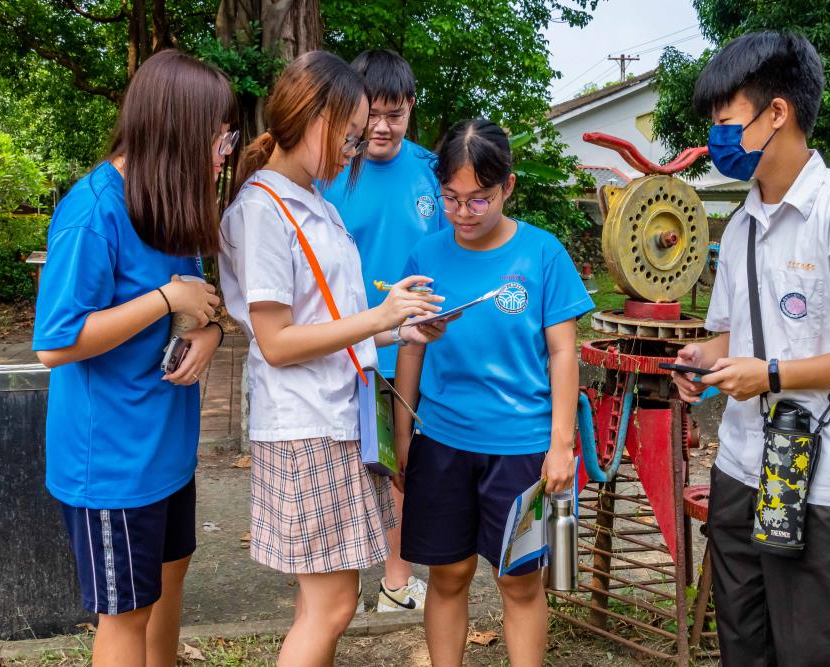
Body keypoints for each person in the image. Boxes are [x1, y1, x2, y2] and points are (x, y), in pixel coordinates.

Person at [671, 31, 830, 666]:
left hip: (827, 477)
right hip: (742, 465)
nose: (717, 138)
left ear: (774, 112)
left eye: (726, 121)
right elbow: (731, 333)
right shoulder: (743, 221)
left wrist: (773, 374)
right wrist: (701, 360)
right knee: (743, 645)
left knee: (818, 651)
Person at [218, 50, 446, 667]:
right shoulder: (263, 211)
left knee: (324, 603)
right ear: (312, 117)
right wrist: (381, 318)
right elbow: (277, 341)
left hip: (333, 416)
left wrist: (401, 331)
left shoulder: (308, 199)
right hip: (303, 425)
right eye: (347, 133)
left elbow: (327, 324)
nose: (354, 148)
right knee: (333, 604)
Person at [32, 50, 234, 667]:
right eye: (219, 135)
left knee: (168, 587)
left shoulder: (168, 201)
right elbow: (55, 342)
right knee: (125, 616)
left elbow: (197, 305)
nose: (224, 151)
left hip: (166, 453)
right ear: (179, 129)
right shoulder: (93, 211)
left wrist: (211, 334)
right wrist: (164, 298)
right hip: (112, 463)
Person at [393, 118, 594, 667]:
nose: (463, 213)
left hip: (522, 447)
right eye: (451, 199)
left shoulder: (543, 253)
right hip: (442, 440)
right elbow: (411, 348)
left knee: (520, 582)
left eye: (479, 200)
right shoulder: (426, 257)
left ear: (507, 187)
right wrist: (403, 430)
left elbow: (562, 353)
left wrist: (561, 445)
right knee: (449, 573)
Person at [322, 48, 446, 613]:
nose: (382, 127)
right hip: (346, 344)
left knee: (404, 463)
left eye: (395, 114)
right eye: (372, 113)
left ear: (410, 109)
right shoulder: (330, 171)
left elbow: (452, 248)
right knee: (344, 467)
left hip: (415, 347)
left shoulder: (431, 170)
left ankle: (396, 579)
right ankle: (337, 585)